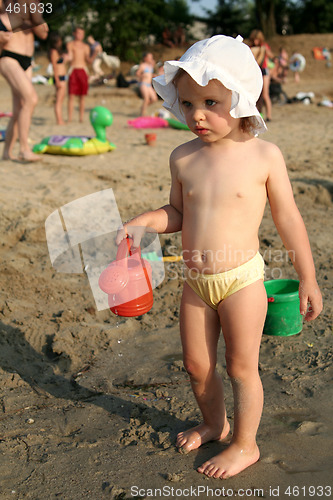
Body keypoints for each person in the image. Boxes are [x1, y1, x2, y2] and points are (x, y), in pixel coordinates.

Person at [116, 35, 322, 479]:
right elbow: (177, 212)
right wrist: (147, 221)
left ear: (242, 96)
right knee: (196, 365)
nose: (197, 114)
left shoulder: (264, 156)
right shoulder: (183, 157)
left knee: (241, 366)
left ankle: (245, 444)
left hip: (242, 280)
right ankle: (215, 422)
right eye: (187, 103)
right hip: (195, 282)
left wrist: (308, 277)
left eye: (211, 101)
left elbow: (288, 219)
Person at [0, 0, 48, 161]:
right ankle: (24, 149)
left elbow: (43, 34)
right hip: (9, 56)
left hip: (27, 61)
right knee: (31, 99)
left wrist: (36, 20)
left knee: (19, 108)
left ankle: (6, 152)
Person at [67, 26, 96, 122]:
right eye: (78, 33)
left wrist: (95, 52)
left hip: (83, 70)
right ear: (74, 34)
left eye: (82, 33)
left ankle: (81, 118)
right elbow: (70, 57)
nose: (80, 35)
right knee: (71, 95)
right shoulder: (70, 44)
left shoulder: (86, 46)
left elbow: (89, 60)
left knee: (82, 96)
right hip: (73, 70)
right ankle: (70, 118)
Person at [248, 29, 273, 121]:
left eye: (257, 40)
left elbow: (271, 56)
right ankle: (259, 114)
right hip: (255, 71)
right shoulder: (250, 47)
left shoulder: (264, 47)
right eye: (254, 40)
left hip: (264, 71)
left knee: (265, 94)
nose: (255, 42)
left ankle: (269, 115)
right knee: (257, 96)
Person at [48, 31, 69, 125]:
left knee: (60, 100)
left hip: (62, 77)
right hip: (59, 78)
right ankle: (59, 120)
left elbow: (59, 64)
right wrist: (57, 80)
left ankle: (60, 119)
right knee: (59, 101)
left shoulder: (57, 52)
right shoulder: (53, 52)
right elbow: (54, 67)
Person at [136, 52, 158, 116]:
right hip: (143, 84)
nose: (151, 59)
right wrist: (142, 76)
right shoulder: (143, 65)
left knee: (154, 99)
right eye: (149, 57)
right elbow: (137, 73)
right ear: (145, 58)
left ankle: (143, 107)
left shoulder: (151, 66)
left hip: (149, 85)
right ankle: (142, 113)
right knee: (146, 98)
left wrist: (153, 75)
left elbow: (150, 74)